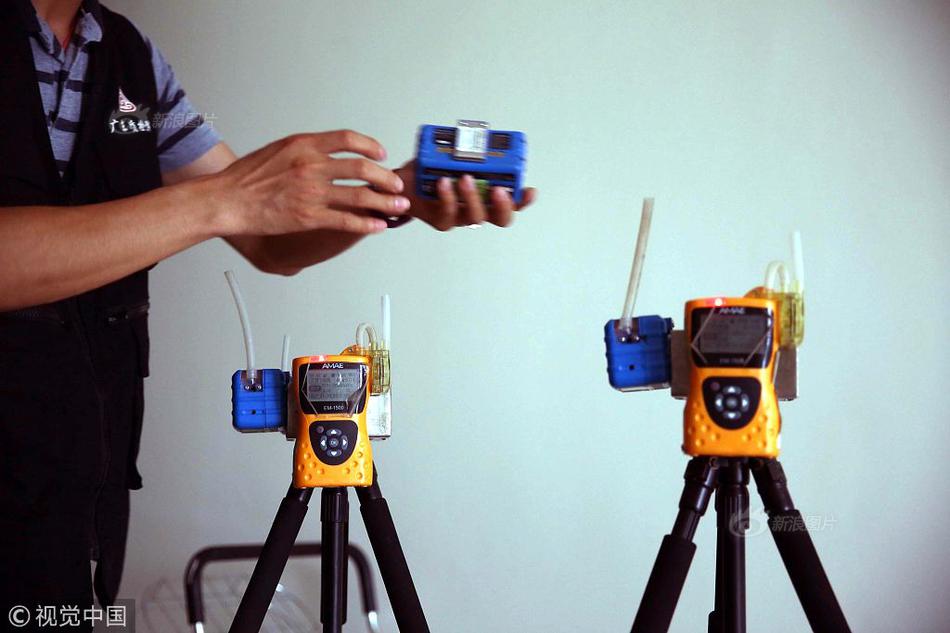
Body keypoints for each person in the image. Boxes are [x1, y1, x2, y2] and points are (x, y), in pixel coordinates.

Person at [0, 0, 537, 627]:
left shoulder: (128, 57)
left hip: (80, 491)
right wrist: (222, 200)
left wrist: (400, 197)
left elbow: (267, 241)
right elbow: (231, 205)